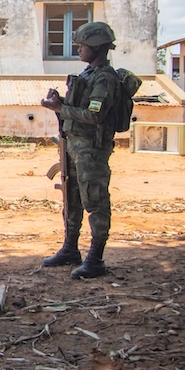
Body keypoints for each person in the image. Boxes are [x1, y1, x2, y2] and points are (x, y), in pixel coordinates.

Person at [40, 21, 120, 279]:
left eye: (83, 46)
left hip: (91, 150)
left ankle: (95, 259)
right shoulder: (87, 75)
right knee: (71, 197)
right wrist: (60, 102)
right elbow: (80, 109)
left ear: (96, 48)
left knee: (94, 200)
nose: (78, 50)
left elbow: (94, 115)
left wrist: (60, 109)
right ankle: (70, 249)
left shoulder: (105, 77)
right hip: (74, 145)